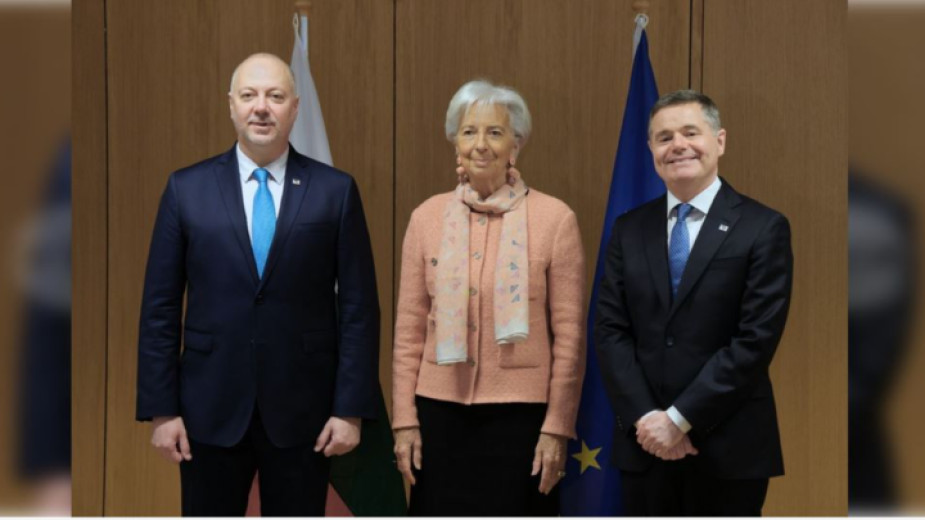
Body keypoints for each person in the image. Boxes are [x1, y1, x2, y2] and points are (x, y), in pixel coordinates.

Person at [135, 53, 380, 516]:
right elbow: (160, 308)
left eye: (275, 96)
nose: (261, 107)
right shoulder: (186, 189)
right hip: (209, 410)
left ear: (295, 107)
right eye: (249, 96)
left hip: (304, 412)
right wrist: (162, 410)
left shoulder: (336, 191)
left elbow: (358, 309)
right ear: (231, 105)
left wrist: (350, 410)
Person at [391, 79, 586, 516]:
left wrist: (557, 427)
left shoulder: (555, 219)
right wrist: (404, 421)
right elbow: (408, 332)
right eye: (469, 132)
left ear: (516, 145)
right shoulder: (426, 218)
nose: (481, 144)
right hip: (439, 416)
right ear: (454, 144)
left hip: (522, 420)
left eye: (495, 133)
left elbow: (570, 338)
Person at [594, 90, 793, 516]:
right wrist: (649, 419)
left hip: (729, 448)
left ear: (719, 141)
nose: (677, 145)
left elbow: (754, 341)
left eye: (690, 132)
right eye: (664, 137)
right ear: (650, 150)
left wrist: (678, 419)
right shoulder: (629, 229)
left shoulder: (763, 227)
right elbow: (611, 330)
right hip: (643, 444)